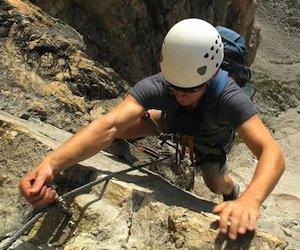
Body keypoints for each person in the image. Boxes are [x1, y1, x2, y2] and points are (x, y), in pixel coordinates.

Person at [19, 18, 285, 240]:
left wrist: (249, 200)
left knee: (214, 183)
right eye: (174, 86)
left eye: (189, 89)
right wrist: (50, 165)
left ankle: (231, 189)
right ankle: (156, 119)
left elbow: (271, 152)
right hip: (174, 119)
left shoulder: (228, 96)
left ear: (212, 75)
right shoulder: (162, 84)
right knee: (121, 129)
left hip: (209, 136)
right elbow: (108, 125)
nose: (179, 93)